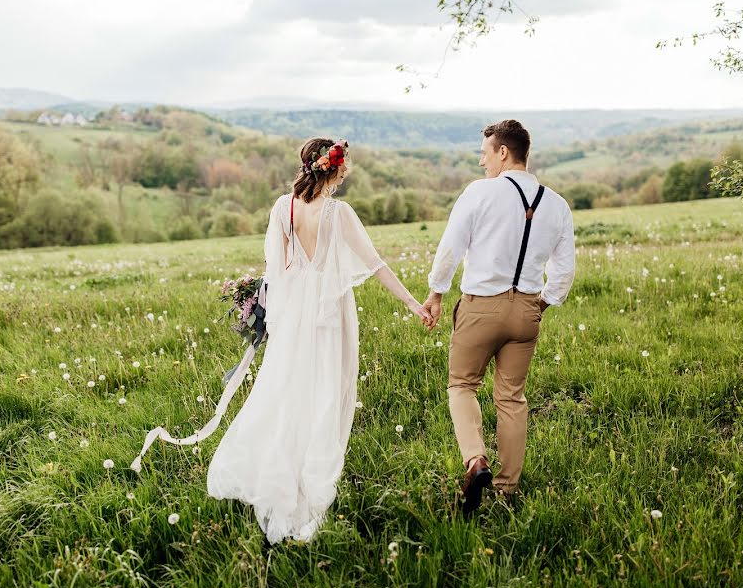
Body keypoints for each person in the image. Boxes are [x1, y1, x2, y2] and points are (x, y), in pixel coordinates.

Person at [201, 138, 431, 544]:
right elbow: (376, 264)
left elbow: (277, 268)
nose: (346, 174)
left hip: (293, 314)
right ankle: (309, 483)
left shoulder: (282, 207)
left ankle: (278, 468)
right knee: (326, 392)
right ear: (333, 168)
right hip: (329, 314)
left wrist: (266, 311)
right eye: (344, 168)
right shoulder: (337, 213)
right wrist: (414, 304)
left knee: (288, 391)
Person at [423, 120, 576, 515]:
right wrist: (542, 303)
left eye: (485, 153)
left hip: (481, 306)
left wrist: (436, 293)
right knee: (511, 398)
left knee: (461, 386)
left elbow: (450, 247)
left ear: (503, 152)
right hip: (527, 310)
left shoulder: (481, 193)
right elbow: (564, 269)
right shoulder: (556, 204)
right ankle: (507, 491)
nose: (481, 161)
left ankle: (476, 461)